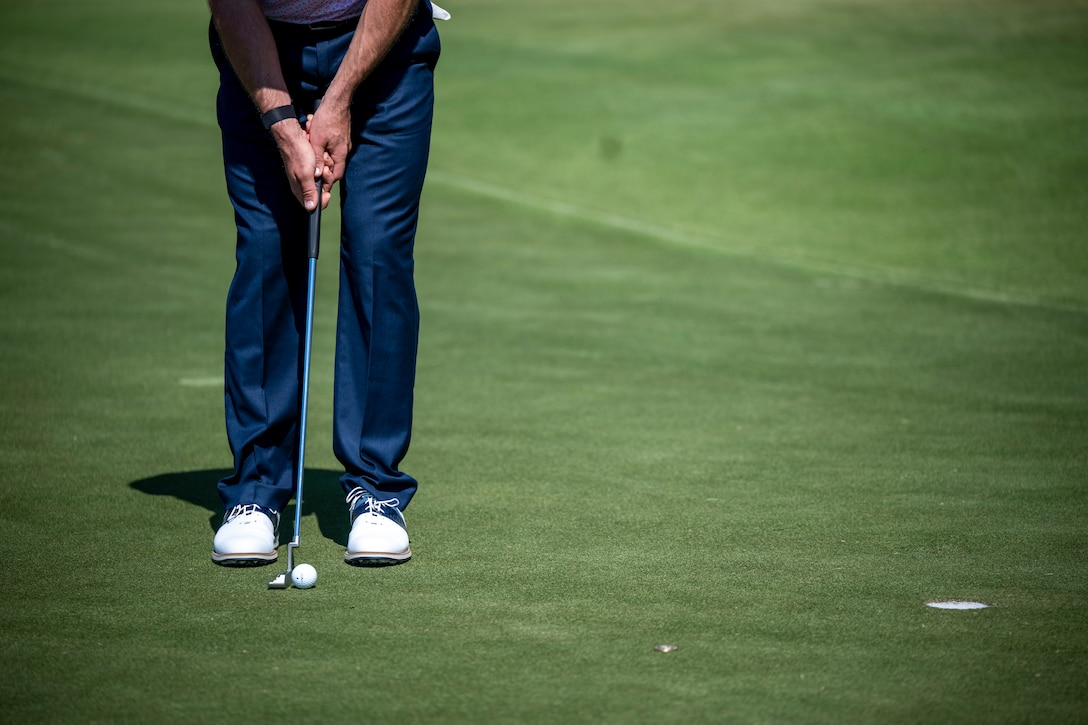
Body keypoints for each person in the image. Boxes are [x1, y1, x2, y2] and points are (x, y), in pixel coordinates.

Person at [206, 0, 445, 567]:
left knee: (377, 251)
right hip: (262, 53)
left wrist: (337, 101)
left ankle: (376, 492)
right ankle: (258, 489)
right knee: (266, 250)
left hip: (386, 51)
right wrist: (282, 124)